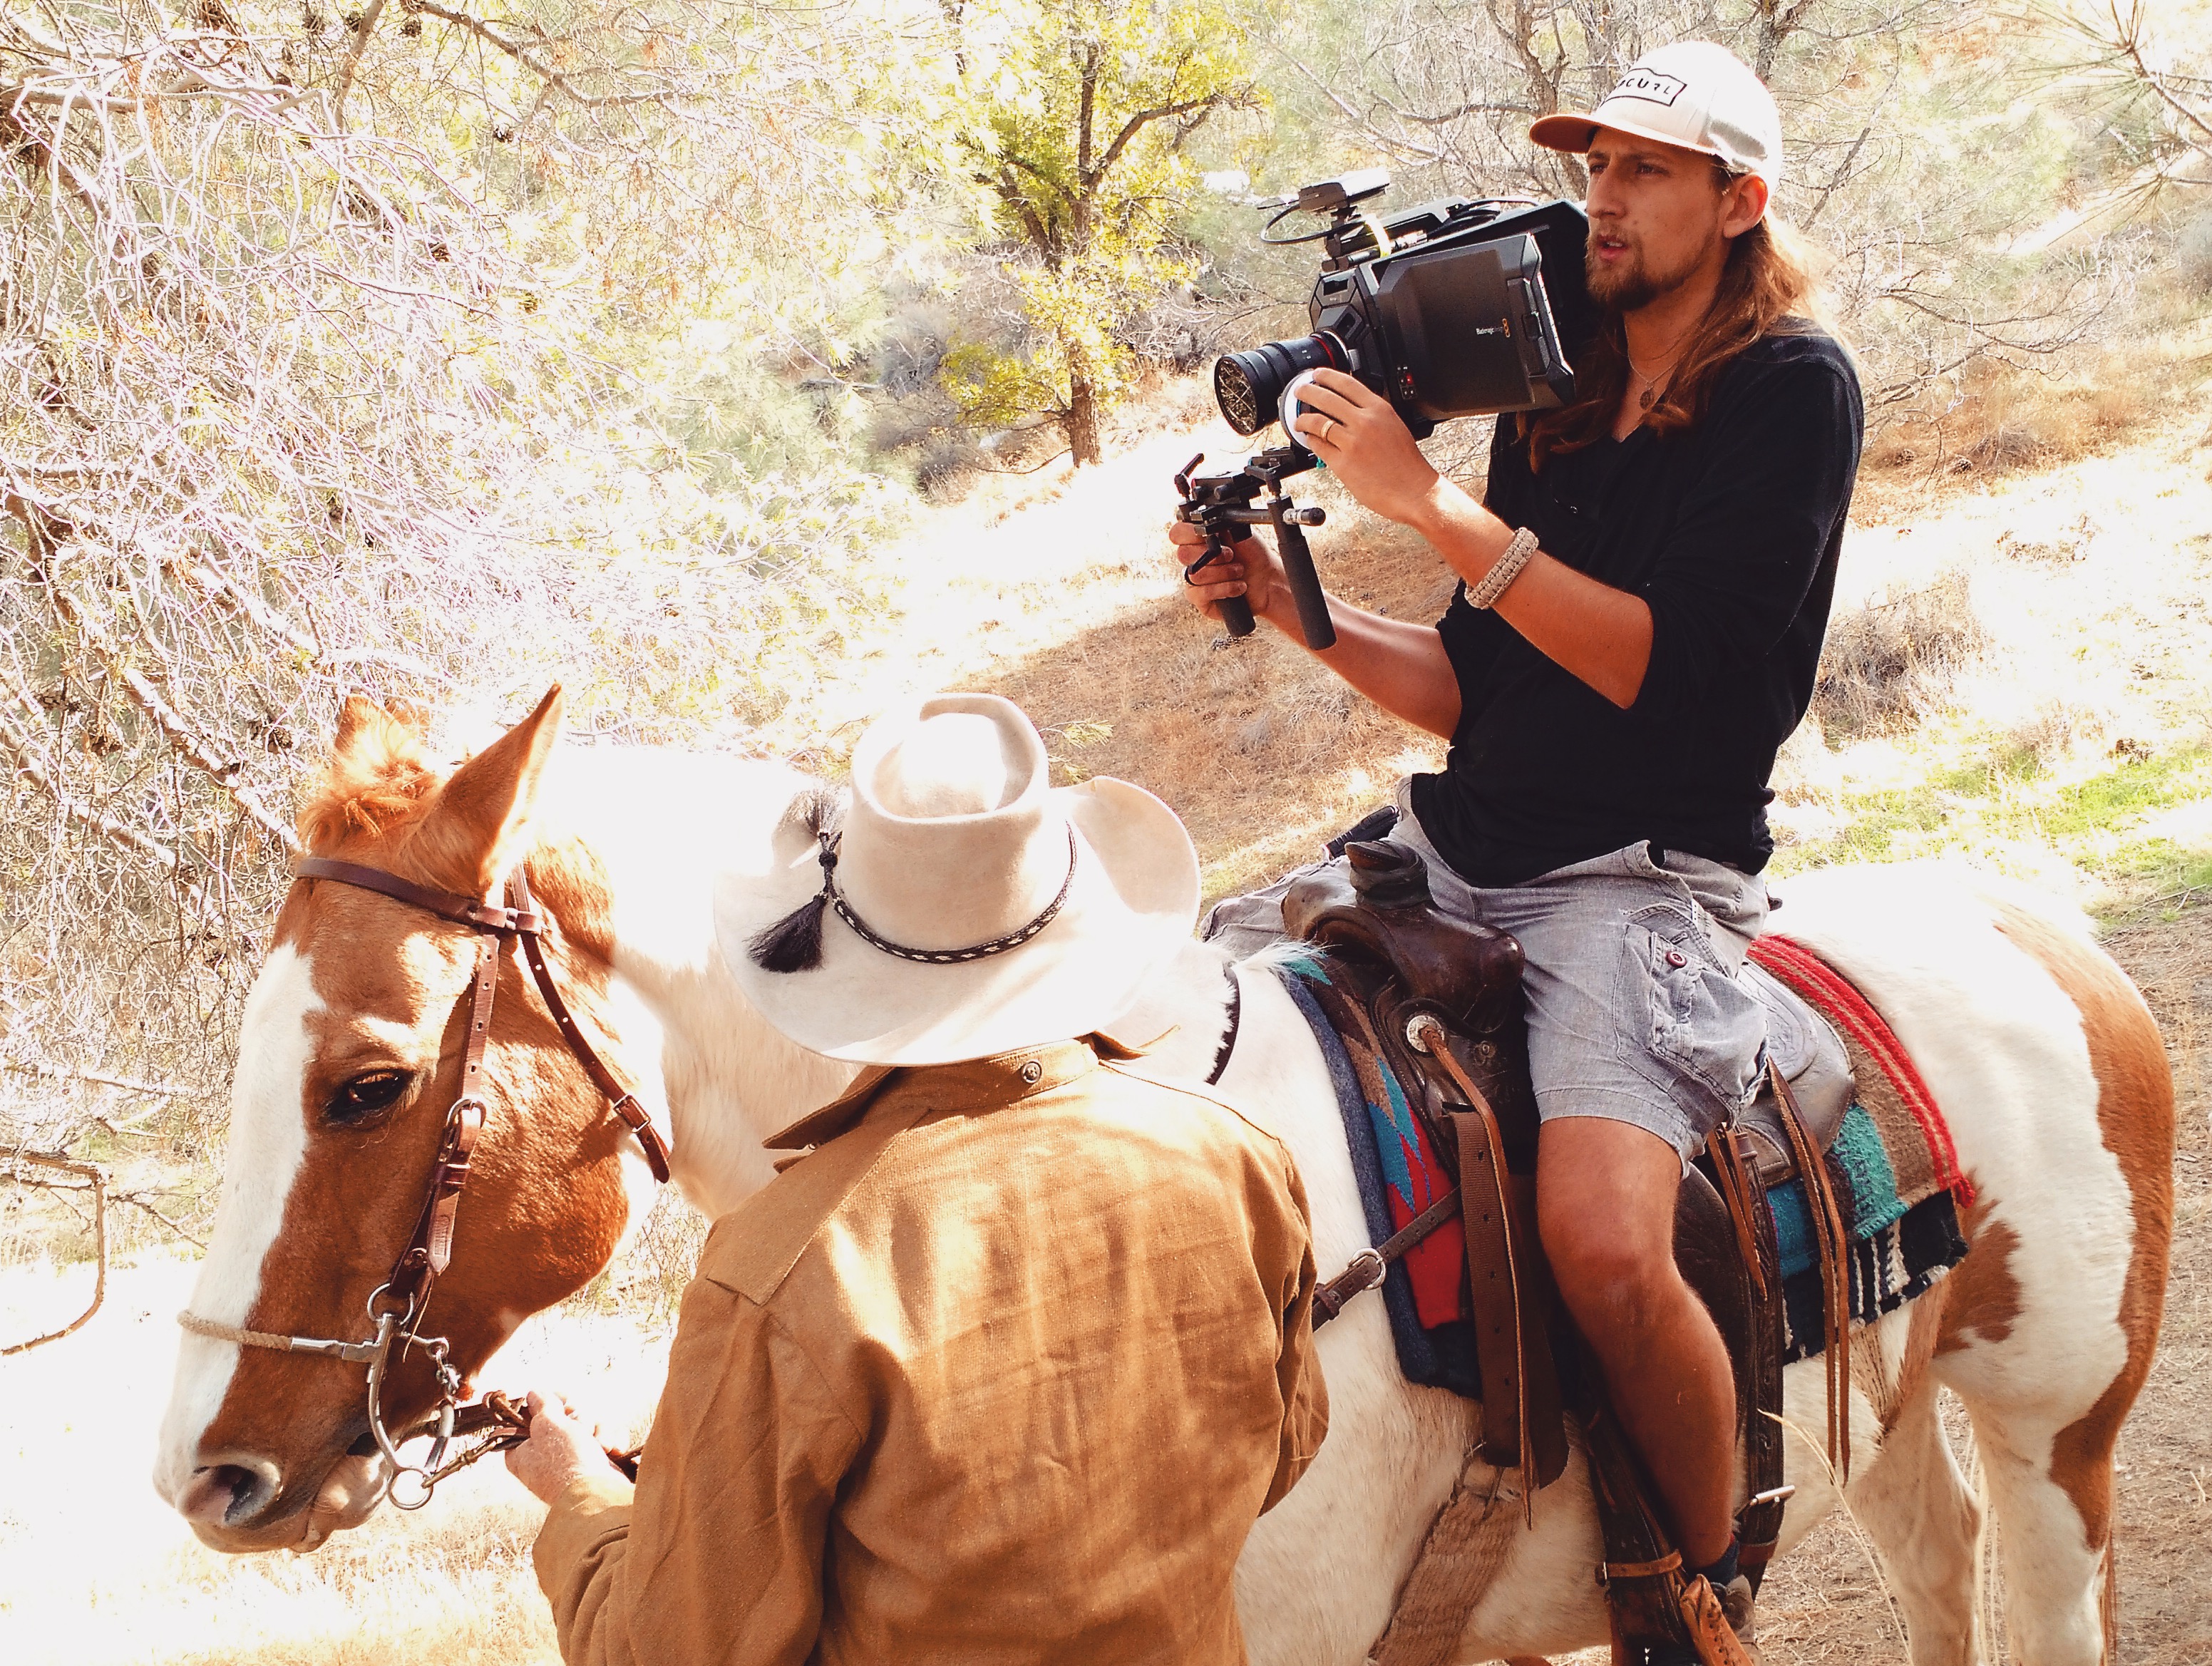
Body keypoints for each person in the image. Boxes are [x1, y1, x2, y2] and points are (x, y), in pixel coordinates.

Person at [1173, 39, 1861, 1656]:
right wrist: (1289, 604)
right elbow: (1470, 685)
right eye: (1592, 167)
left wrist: (1427, 507)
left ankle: (1697, 1584)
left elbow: (1658, 665)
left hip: (1638, 875)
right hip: (1458, 839)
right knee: (1176, 1022)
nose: (1599, 202)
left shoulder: (1791, 388)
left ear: (1735, 201)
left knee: (1603, 1241)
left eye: (1640, 173)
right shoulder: (1551, 390)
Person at [504, 692, 1328, 1665]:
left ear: (831, 948)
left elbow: (673, 1649)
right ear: (1064, 915)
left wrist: (579, 1491)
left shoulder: (782, 1266)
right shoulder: (1235, 1156)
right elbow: (1280, 1445)